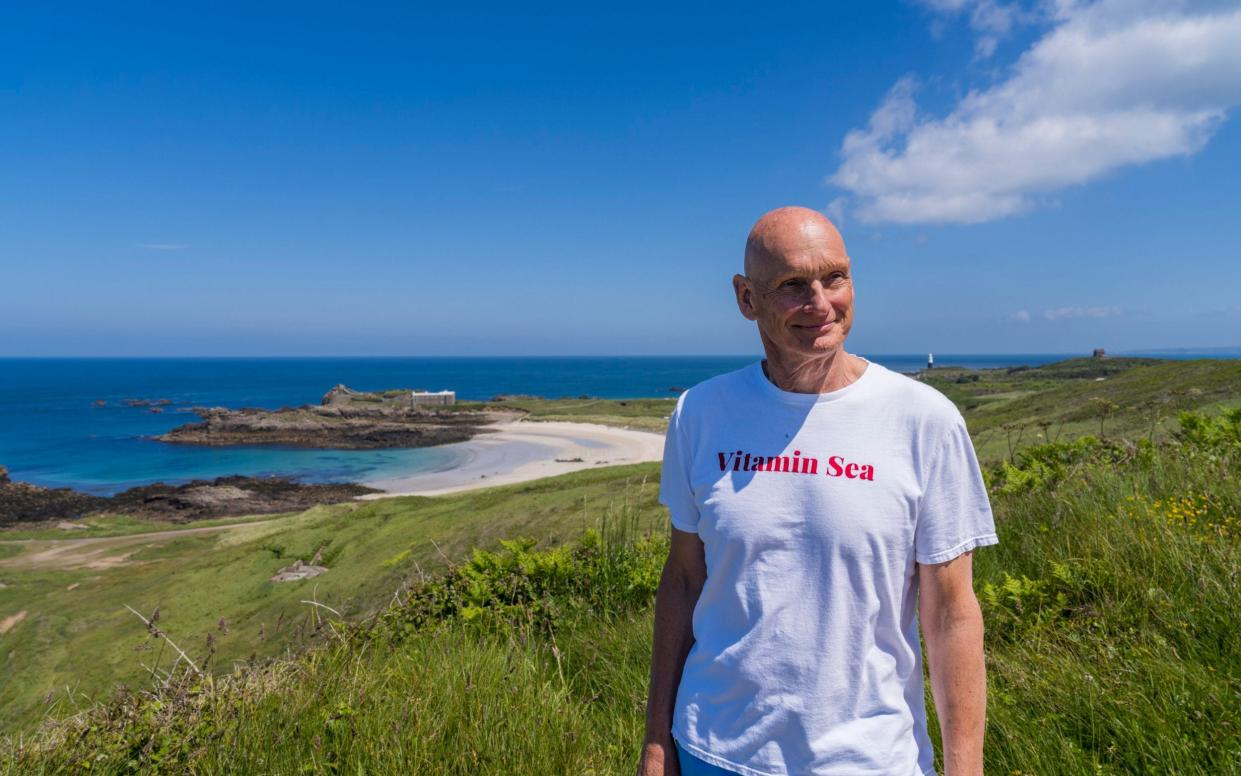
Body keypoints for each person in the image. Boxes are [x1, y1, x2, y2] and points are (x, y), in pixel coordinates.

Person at [636, 206, 999, 776]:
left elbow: (952, 612)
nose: (820, 302)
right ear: (746, 299)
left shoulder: (924, 419)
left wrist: (966, 769)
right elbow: (684, 578)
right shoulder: (700, 413)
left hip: (867, 759)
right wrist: (658, 741)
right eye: (791, 285)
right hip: (713, 752)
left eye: (835, 277)